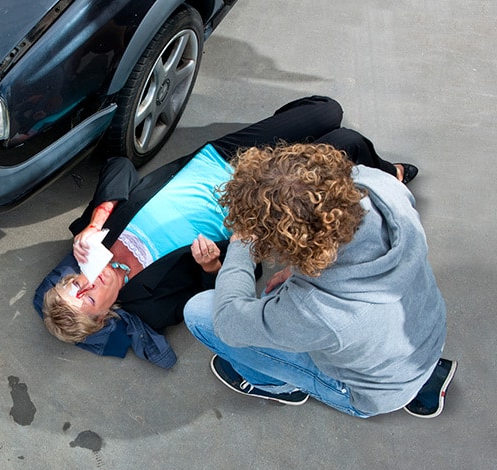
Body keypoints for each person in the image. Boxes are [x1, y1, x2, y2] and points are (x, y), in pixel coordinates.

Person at [34, 96, 418, 368]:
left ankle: (313, 152)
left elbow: (119, 165)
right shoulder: (151, 306)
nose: (87, 285)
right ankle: (388, 173)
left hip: (217, 159)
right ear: (104, 317)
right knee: (344, 143)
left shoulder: (91, 240)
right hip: (254, 197)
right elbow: (222, 291)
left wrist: (95, 222)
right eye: (87, 299)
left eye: (74, 286)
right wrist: (213, 265)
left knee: (324, 109)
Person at [184, 141, 456, 419]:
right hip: (425, 335)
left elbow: (230, 323)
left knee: (201, 313)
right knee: (277, 303)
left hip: (370, 392)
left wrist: (242, 244)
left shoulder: (319, 310)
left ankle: (276, 385)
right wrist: (296, 269)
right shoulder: (382, 188)